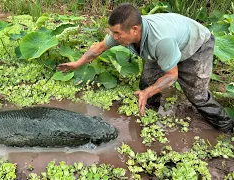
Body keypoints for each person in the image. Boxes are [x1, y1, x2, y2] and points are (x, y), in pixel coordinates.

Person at [57, 3, 233, 133]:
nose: (114, 37)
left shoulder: (160, 41)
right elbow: (99, 47)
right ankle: (149, 113)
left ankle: (227, 127)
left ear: (134, 29)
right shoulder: (129, 33)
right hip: (169, 42)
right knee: (147, 81)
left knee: (197, 95)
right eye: (113, 32)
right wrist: (78, 63)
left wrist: (148, 92)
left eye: (117, 33)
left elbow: (172, 76)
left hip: (196, 45)